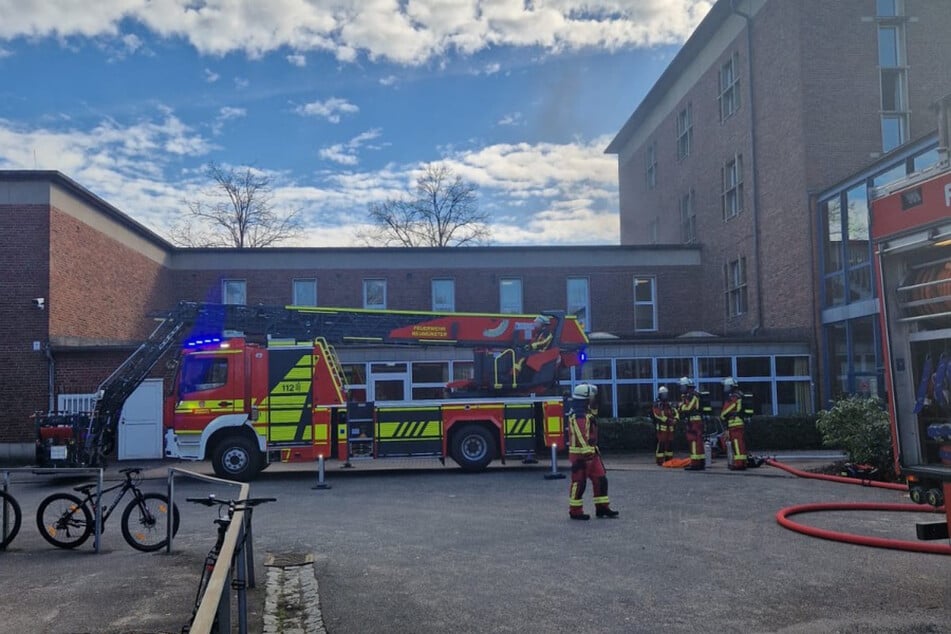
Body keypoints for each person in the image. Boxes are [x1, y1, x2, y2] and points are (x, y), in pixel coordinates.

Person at [567, 383, 619, 520]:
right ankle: (575, 511)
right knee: (579, 483)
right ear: (585, 398)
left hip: (592, 453)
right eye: (591, 397)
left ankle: (602, 508)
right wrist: (586, 450)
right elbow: (580, 433)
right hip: (580, 454)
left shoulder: (586, 411)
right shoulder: (578, 415)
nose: (593, 398)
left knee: (601, 479)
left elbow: (594, 414)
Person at [720, 377, 748, 471]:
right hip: (738, 423)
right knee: (740, 444)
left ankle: (739, 464)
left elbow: (725, 412)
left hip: (735, 424)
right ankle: (742, 462)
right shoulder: (739, 395)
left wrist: (723, 416)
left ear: (730, 387)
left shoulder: (734, 397)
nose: (725, 388)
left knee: (737, 444)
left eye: (726, 386)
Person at [678, 376, 705, 471]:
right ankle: (700, 462)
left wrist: (680, 407)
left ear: (686, 386)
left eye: (682, 386)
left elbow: (688, 408)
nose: (681, 388)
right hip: (694, 421)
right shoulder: (689, 395)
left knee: (693, 441)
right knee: (698, 442)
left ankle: (695, 464)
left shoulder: (693, 395)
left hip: (694, 422)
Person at [651, 386, 677, 466]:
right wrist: (668, 420)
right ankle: (660, 461)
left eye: (666, 394)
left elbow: (675, 411)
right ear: (660, 394)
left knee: (670, 445)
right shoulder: (657, 404)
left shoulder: (669, 404)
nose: (665, 396)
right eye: (663, 394)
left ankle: (669, 460)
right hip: (662, 429)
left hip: (670, 429)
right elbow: (657, 414)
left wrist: (676, 419)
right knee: (661, 444)